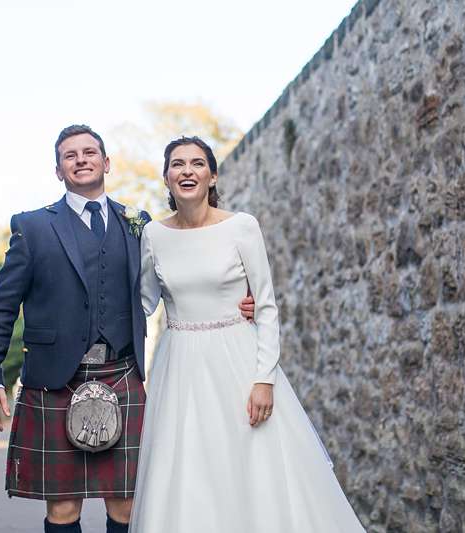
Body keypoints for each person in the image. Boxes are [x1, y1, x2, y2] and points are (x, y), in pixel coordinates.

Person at [0, 125, 256, 533]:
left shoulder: (138, 224)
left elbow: (172, 282)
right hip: (55, 380)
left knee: (127, 506)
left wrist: (233, 304)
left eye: (90, 152)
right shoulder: (33, 227)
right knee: (63, 510)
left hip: (121, 372)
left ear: (106, 163)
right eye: (70, 155)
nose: (81, 159)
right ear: (58, 171)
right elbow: (1, 307)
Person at [129, 136, 365, 532]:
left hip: (237, 363)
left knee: (250, 469)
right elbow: (142, 302)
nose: (187, 171)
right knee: (188, 472)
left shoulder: (241, 227)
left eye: (197, 163)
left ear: (212, 175)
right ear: (166, 178)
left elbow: (267, 306)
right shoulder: (153, 235)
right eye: (177, 164)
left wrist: (263, 379)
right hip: (180, 370)